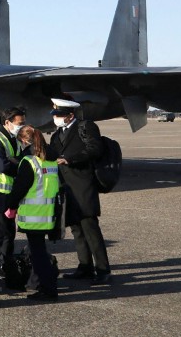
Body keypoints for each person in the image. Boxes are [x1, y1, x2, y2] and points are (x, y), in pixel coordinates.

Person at [47, 98, 110, 284]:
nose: (56, 119)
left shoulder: (86, 127)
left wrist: (69, 159)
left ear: (70, 115)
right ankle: (85, 267)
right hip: (66, 188)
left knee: (90, 228)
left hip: (83, 186)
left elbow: (95, 149)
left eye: (59, 115)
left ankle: (103, 269)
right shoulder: (57, 134)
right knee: (76, 229)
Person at [6, 125, 60, 300]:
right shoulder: (50, 160)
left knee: (38, 255)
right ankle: (46, 285)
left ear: (24, 141)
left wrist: (11, 206)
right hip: (48, 214)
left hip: (33, 216)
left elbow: (20, 188)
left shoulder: (29, 162)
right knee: (40, 252)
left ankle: (48, 289)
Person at [0, 107, 28, 280]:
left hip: (8, 191)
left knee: (9, 231)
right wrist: (20, 167)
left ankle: (6, 262)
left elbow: (18, 159)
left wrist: (16, 162)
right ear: (7, 122)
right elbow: (1, 166)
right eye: (19, 123)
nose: (22, 126)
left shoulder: (13, 137)